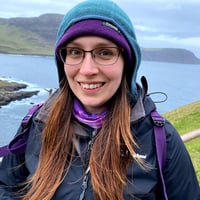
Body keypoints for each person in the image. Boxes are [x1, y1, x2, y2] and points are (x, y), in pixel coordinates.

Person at [0, 0, 199, 199]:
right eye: (75, 52)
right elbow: (5, 187)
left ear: (127, 63)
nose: (87, 70)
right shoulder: (37, 123)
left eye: (105, 53)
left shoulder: (162, 139)